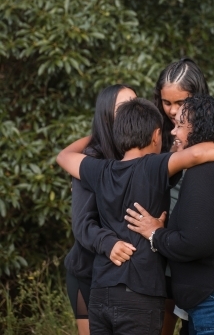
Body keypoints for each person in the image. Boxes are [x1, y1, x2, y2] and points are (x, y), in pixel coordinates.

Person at [57, 98, 214, 335]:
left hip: (100, 292)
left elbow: (64, 156)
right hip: (140, 294)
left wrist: (100, 133)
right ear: (155, 136)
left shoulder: (100, 171)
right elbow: (195, 155)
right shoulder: (154, 166)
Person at [125, 95, 214, 335]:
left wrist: (155, 233)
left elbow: (196, 242)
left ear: (200, 130)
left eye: (181, 126)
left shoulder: (204, 172)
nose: (174, 132)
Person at [64, 84, 137, 335]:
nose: (129, 112)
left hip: (126, 279)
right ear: (106, 115)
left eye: (133, 105)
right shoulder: (91, 160)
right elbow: (82, 224)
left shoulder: (142, 153)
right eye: (122, 108)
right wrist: (110, 244)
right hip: (88, 274)